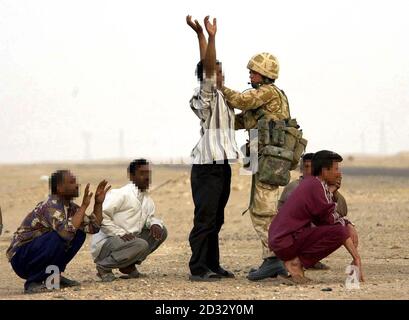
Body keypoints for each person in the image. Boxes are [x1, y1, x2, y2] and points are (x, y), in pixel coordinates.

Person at [221, 52, 290, 280]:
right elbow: (246, 120)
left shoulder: (268, 92)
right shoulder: (265, 97)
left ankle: (273, 259)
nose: (250, 75)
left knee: (263, 210)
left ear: (265, 75)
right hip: (260, 155)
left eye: (254, 72)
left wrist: (220, 87)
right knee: (258, 206)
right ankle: (271, 258)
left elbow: (242, 101)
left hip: (269, 158)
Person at [186, 15, 243, 281]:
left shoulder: (222, 97)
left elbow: (206, 65)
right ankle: (198, 268)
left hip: (221, 166)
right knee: (205, 219)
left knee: (216, 220)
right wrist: (210, 37)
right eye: (216, 72)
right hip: (206, 167)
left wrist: (200, 37)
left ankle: (212, 264)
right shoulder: (205, 97)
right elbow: (206, 68)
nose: (221, 75)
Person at [6, 170, 110, 293]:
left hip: (34, 253)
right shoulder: (50, 206)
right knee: (58, 237)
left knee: (79, 233)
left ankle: (54, 277)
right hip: (21, 257)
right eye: (71, 182)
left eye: (76, 182)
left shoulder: (71, 208)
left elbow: (93, 228)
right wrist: (83, 206)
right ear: (59, 188)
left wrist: (98, 203)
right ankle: (33, 282)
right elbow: (66, 233)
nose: (77, 185)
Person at [268, 150, 363, 284]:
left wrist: (346, 222)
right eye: (336, 169)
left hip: (281, 240)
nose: (339, 173)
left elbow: (325, 217)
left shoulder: (314, 184)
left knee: (339, 228)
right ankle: (295, 264)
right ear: (324, 171)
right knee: (340, 231)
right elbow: (330, 220)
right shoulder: (315, 186)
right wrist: (356, 256)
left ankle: (296, 264)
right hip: (285, 241)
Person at [91, 159, 167, 282]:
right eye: (142, 173)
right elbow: (101, 216)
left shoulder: (147, 199)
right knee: (141, 244)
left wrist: (155, 224)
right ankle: (104, 266)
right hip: (107, 243)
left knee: (162, 231)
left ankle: (127, 265)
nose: (147, 177)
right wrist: (119, 233)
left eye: (148, 173)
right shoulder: (121, 194)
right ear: (131, 176)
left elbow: (149, 218)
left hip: (128, 243)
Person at [277, 152, 349, 270]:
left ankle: (311, 259)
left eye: (312, 167)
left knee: (343, 226)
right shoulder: (295, 186)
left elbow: (343, 210)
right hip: (289, 233)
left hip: (302, 232)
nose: (309, 171)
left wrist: (334, 191)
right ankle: (298, 261)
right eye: (306, 167)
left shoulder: (321, 186)